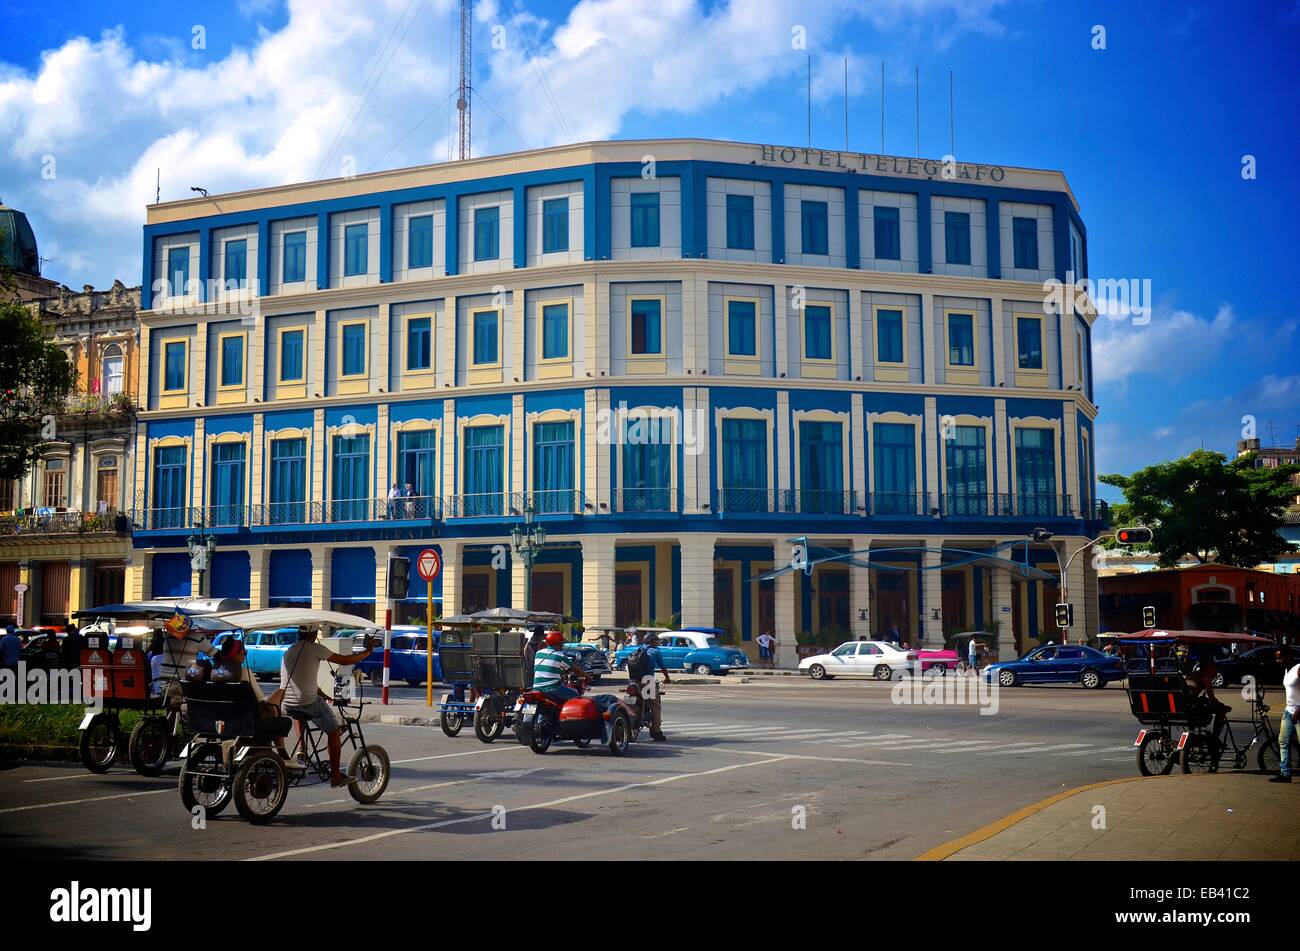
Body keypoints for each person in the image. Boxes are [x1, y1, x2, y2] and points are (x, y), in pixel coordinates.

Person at [276, 626, 375, 787]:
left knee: (300, 711)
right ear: (314, 634)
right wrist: (367, 652)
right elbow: (344, 660)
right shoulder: (315, 648)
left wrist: (324, 695)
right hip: (307, 703)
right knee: (334, 730)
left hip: (287, 703)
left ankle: (302, 750)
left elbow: (302, 680)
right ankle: (335, 776)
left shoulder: (289, 650)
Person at [157, 616, 215, 710]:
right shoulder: (197, 638)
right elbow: (215, 654)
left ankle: (170, 722)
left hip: (163, 679)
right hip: (183, 680)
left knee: (171, 705)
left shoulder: (169, 636)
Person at [627, 632, 672, 741]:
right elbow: (663, 667)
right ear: (651, 642)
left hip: (633, 682)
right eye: (656, 640)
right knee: (655, 706)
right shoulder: (655, 652)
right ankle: (656, 732)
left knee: (628, 703)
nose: (658, 642)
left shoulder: (637, 650)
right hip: (647, 682)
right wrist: (667, 678)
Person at [530, 630, 588, 706]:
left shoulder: (539, 653)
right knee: (575, 694)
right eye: (561, 643)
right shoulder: (560, 655)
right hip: (551, 688)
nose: (562, 645)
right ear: (558, 643)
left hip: (536, 688)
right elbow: (575, 668)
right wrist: (587, 676)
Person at [1271, 647, 1299, 784]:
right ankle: (1285, 774)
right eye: (1277, 658)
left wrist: (1299, 711)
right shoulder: (1286, 670)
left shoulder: (1298, 668)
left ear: (1288, 656)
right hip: (1289, 711)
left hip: (1299, 713)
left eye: (1280, 657)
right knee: (1283, 742)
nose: (1278, 661)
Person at [1188, 657, 1230, 743]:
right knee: (1220, 710)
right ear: (1208, 667)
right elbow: (1212, 697)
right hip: (1192, 706)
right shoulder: (1205, 677)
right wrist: (1222, 706)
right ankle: (1214, 738)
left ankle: (1192, 734)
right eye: (1213, 667)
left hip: (1186, 705)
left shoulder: (1193, 674)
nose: (1215, 670)